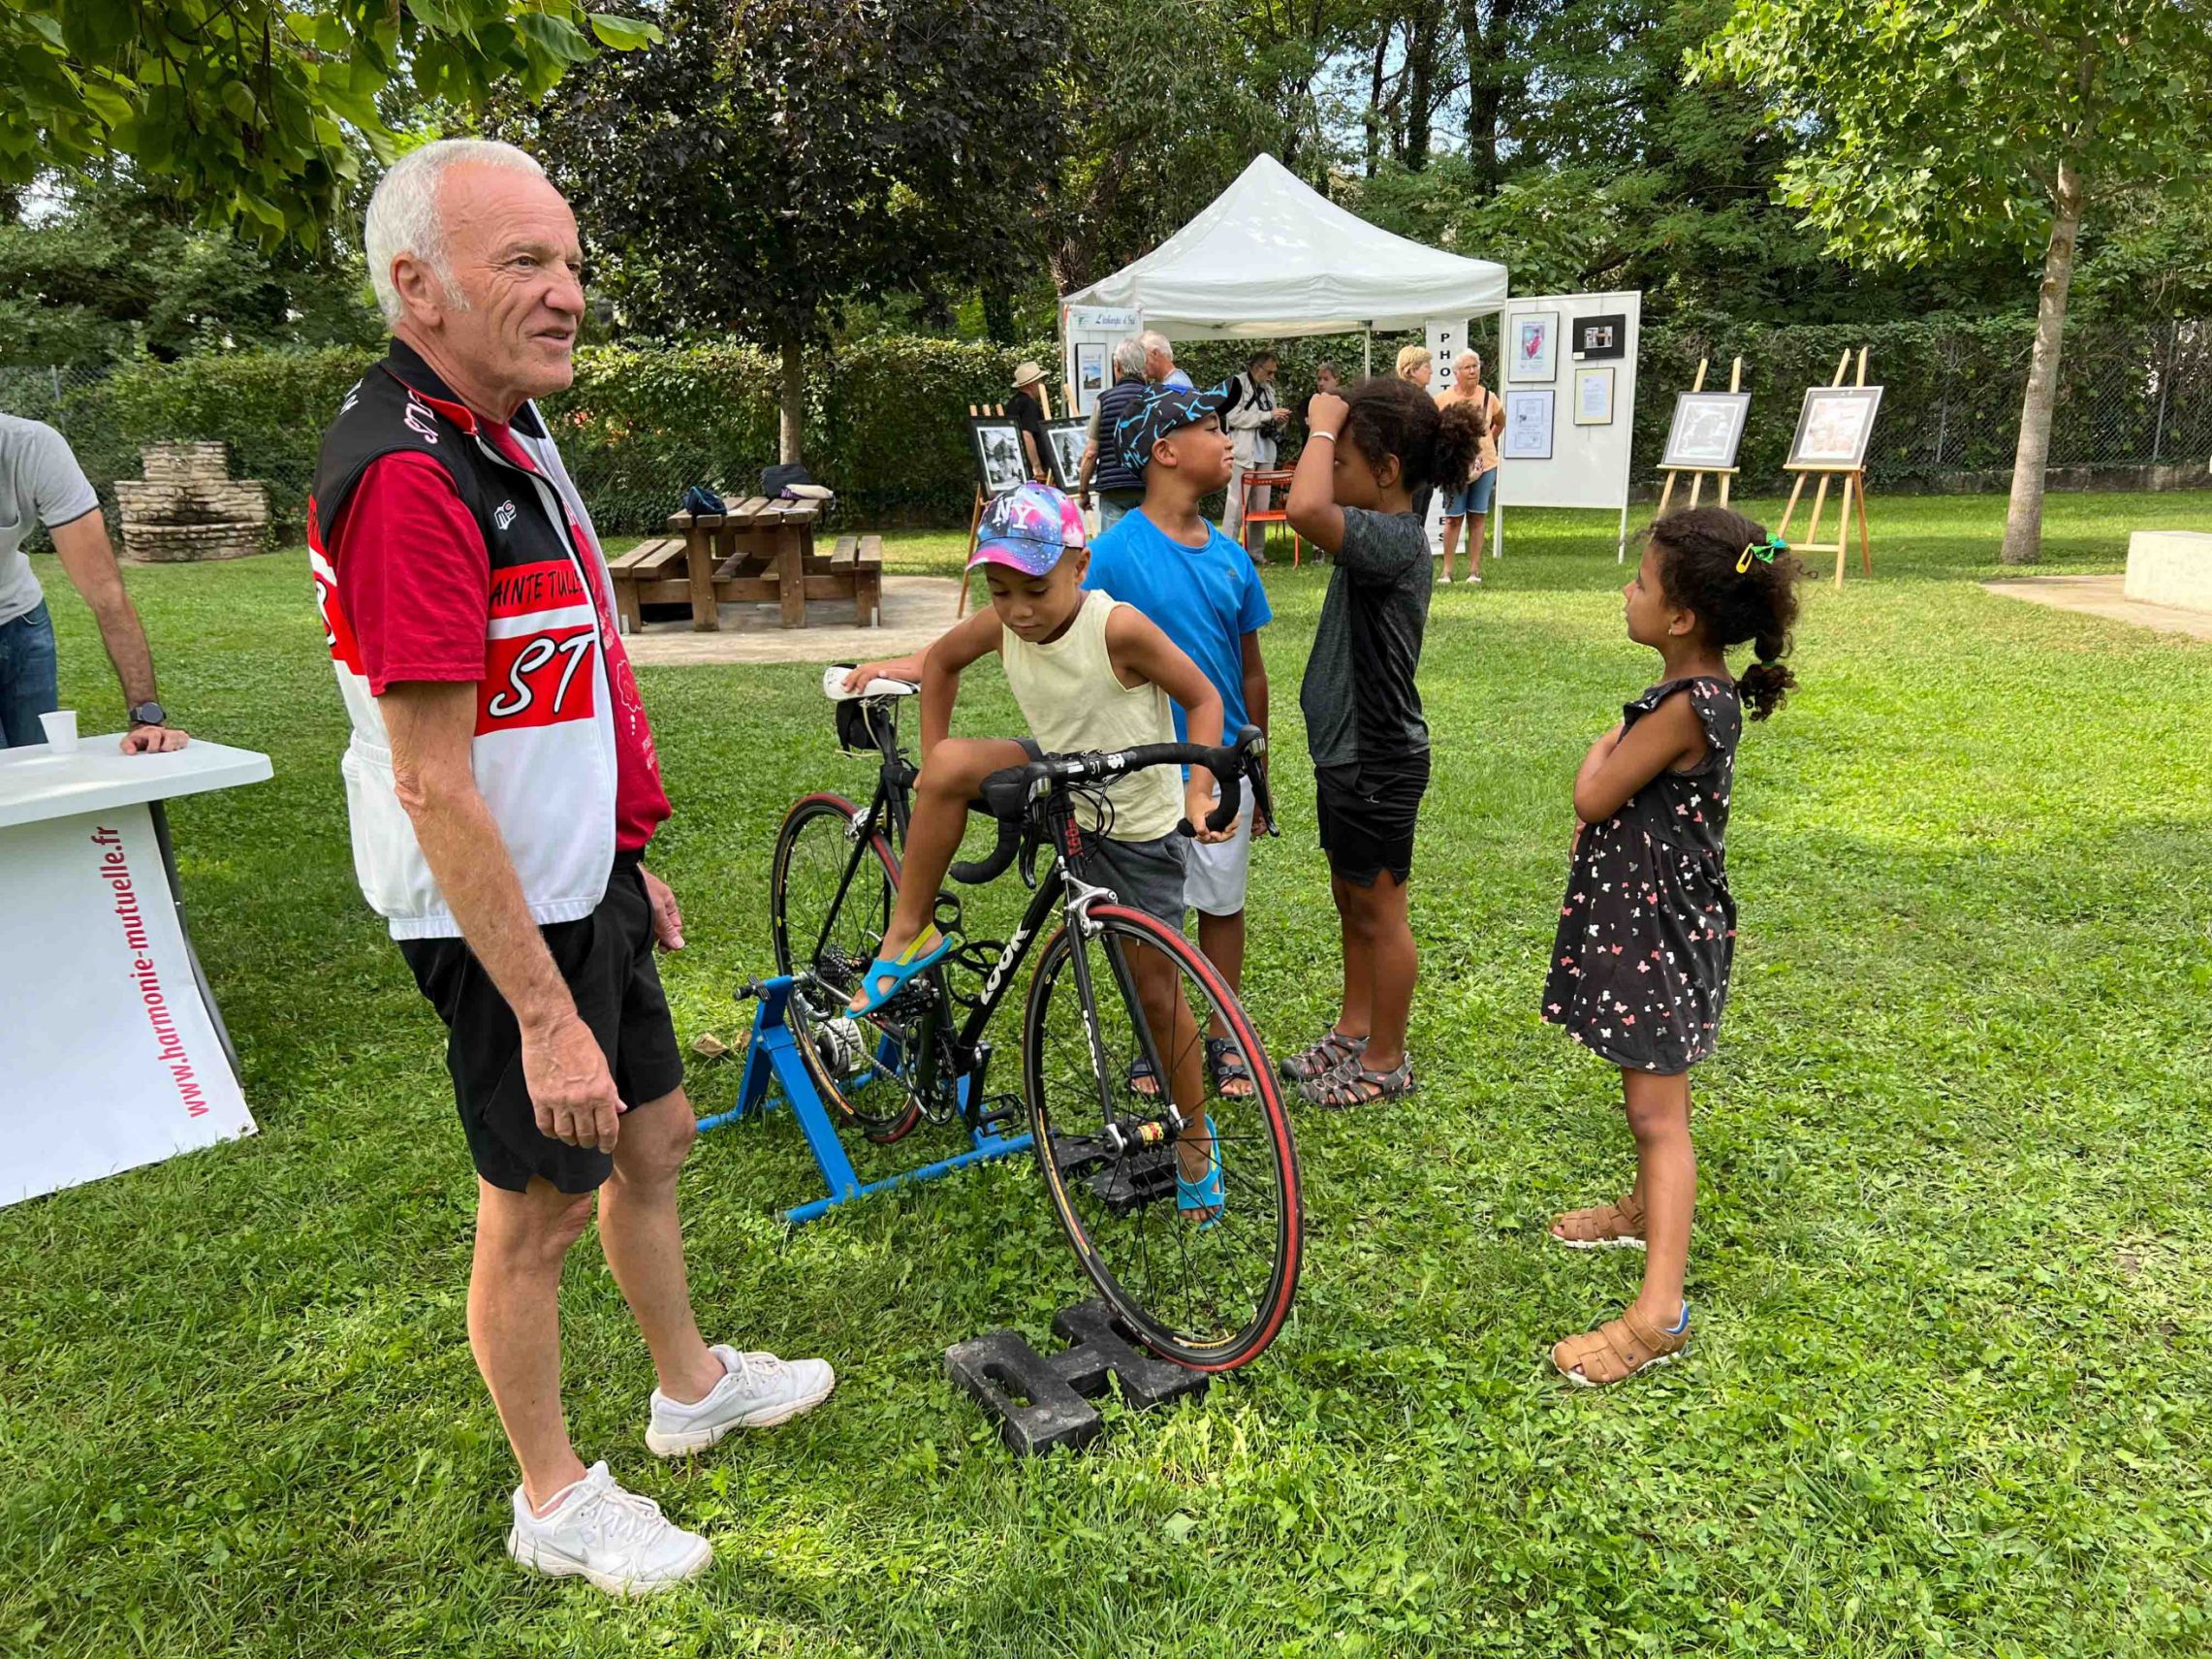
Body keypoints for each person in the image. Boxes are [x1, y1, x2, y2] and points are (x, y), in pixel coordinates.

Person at [307, 138, 832, 1596]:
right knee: (534, 1208)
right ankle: (551, 1497)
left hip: (574, 879)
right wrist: (543, 1013)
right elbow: (431, 778)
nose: (568, 293)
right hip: (498, 919)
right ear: (417, 287)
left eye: (572, 262)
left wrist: (622, 852)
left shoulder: (507, 429)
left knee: (653, 1142)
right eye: (524, 262)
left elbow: (576, 668)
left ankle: (690, 1386)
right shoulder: (408, 476)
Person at [838, 475, 1234, 1220]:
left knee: (1157, 996)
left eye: (1035, 589)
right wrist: (930, 757)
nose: (1017, 610)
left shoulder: (1117, 629)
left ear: (1079, 567)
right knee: (949, 766)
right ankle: (909, 930)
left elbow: (1203, 695)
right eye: (999, 591)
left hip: (1138, 829)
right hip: (1063, 782)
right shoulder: (1003, 622)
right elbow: (942, 660)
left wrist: (1197, 791)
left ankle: (1195, 1142)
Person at [1543, 507, 1804, 1387]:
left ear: (1683, 616)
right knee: (1650, 1100)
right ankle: (1641, 1210)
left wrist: (1599, 750)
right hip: (1657, 923)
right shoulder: (1700, 695)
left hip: (1660, 933)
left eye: (1642, 583)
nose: (1628, 593)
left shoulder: (1687, 705)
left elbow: (1593, 795)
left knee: (1659, 1116)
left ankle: (1660, 1313)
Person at [1280, 377, 1481, 1109]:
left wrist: (1323, 423)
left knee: (1382, 913)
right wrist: (1333, 437)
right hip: (1349, 755)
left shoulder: (1394, 541)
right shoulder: (1378, 532)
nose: (1329, 471)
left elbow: (1304, 509)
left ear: (1387, 471)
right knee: (1351, 898)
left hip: (1378, 758)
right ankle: (1354, 1028)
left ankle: (1387, 1059)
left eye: (1342, 461)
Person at [1088, 389, 1272, 1101]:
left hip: (1222, 765)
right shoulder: (1110, 555)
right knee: (1149, 920)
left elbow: (1250, 672)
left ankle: (1223, 1038)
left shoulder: (1232, 559)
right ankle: (1159, 1039)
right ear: (1165, 452)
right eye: (1211, 428)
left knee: (1221, 903)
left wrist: (1257, 766)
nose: (1227, 441)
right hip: (1144, 770)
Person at [0, 413, 188, 751]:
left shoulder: (32, 446)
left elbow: (106, 592)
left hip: (19, 620)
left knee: (36, 760)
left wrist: (145, 717)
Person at [1437, 350, 1503, 586]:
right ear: (1456, 373)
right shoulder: (1442, 399)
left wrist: (1488, 441)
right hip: (1455, 467)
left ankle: (1474, 570)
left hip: (1485, 465)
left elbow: (1500, 421)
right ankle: (1447, 571)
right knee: (1453, 518)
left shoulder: (1488, 397)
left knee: (1477, 516)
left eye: (1476, 366)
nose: (1473, 371)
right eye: (1467, 367)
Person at [1076, 337, 1152, 532]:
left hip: (1114, 489)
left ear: (1116, 366)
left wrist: (1083, 491)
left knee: (1116, 544)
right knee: (1146, 543)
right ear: (1144, 367)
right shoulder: (1154, 398)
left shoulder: (1104, 400)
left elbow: (1091, 453)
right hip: (1149, 486)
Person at [1221, 350, 1290, 561]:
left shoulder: (1268, 389)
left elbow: (1269, 416)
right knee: (1235, 507)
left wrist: (1279, 420)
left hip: (1265, 452)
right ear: (1256, 368)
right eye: (1269, 372)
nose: (1272, 377)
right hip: (1243, 452)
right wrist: (1268, 415)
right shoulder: (1237, 384)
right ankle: (1228, 552)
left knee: (1261, 508)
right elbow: (1233, 417)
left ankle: (1256, 553)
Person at [1009, 361, 1056, 485]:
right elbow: (1027, 435)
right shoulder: (1029, 404)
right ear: (1032, 385)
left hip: (1017, 464)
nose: (1042, 384)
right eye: (1040, 381)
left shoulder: (1014, 402)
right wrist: (1037, 466)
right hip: (1030, 469)